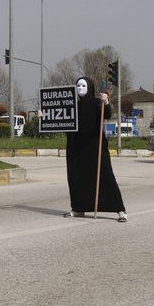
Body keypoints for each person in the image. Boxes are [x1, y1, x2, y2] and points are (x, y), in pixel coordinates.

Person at [65, 76, 128, 222]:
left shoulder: (96, 103)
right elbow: (60, 122)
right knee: (77, 178)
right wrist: (44, 117)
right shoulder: (72, 105)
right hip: (76, 148)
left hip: (95, 147)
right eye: (78, 86)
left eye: (83, 86)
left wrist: (106, 102)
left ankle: (119, 209)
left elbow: (106, 114)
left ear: (90, 87)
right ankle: (79, 208)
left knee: (105, 176)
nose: (80, 88)